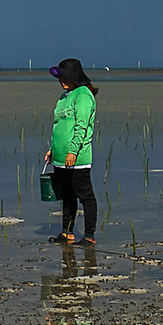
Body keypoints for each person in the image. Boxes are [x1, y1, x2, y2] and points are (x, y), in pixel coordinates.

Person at [45, 58, 98, 246]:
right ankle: (67, 233)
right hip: (60, 158)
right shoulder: (64, 96)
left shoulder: (83, 95)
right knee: (67, 196)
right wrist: (52, 150)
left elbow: (81, 127)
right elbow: (59, 126)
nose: (61, 80)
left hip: (78, 158)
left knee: (85, 196)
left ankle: (89, 236)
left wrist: (73, 152)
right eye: (59, 76)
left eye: (65, 76)